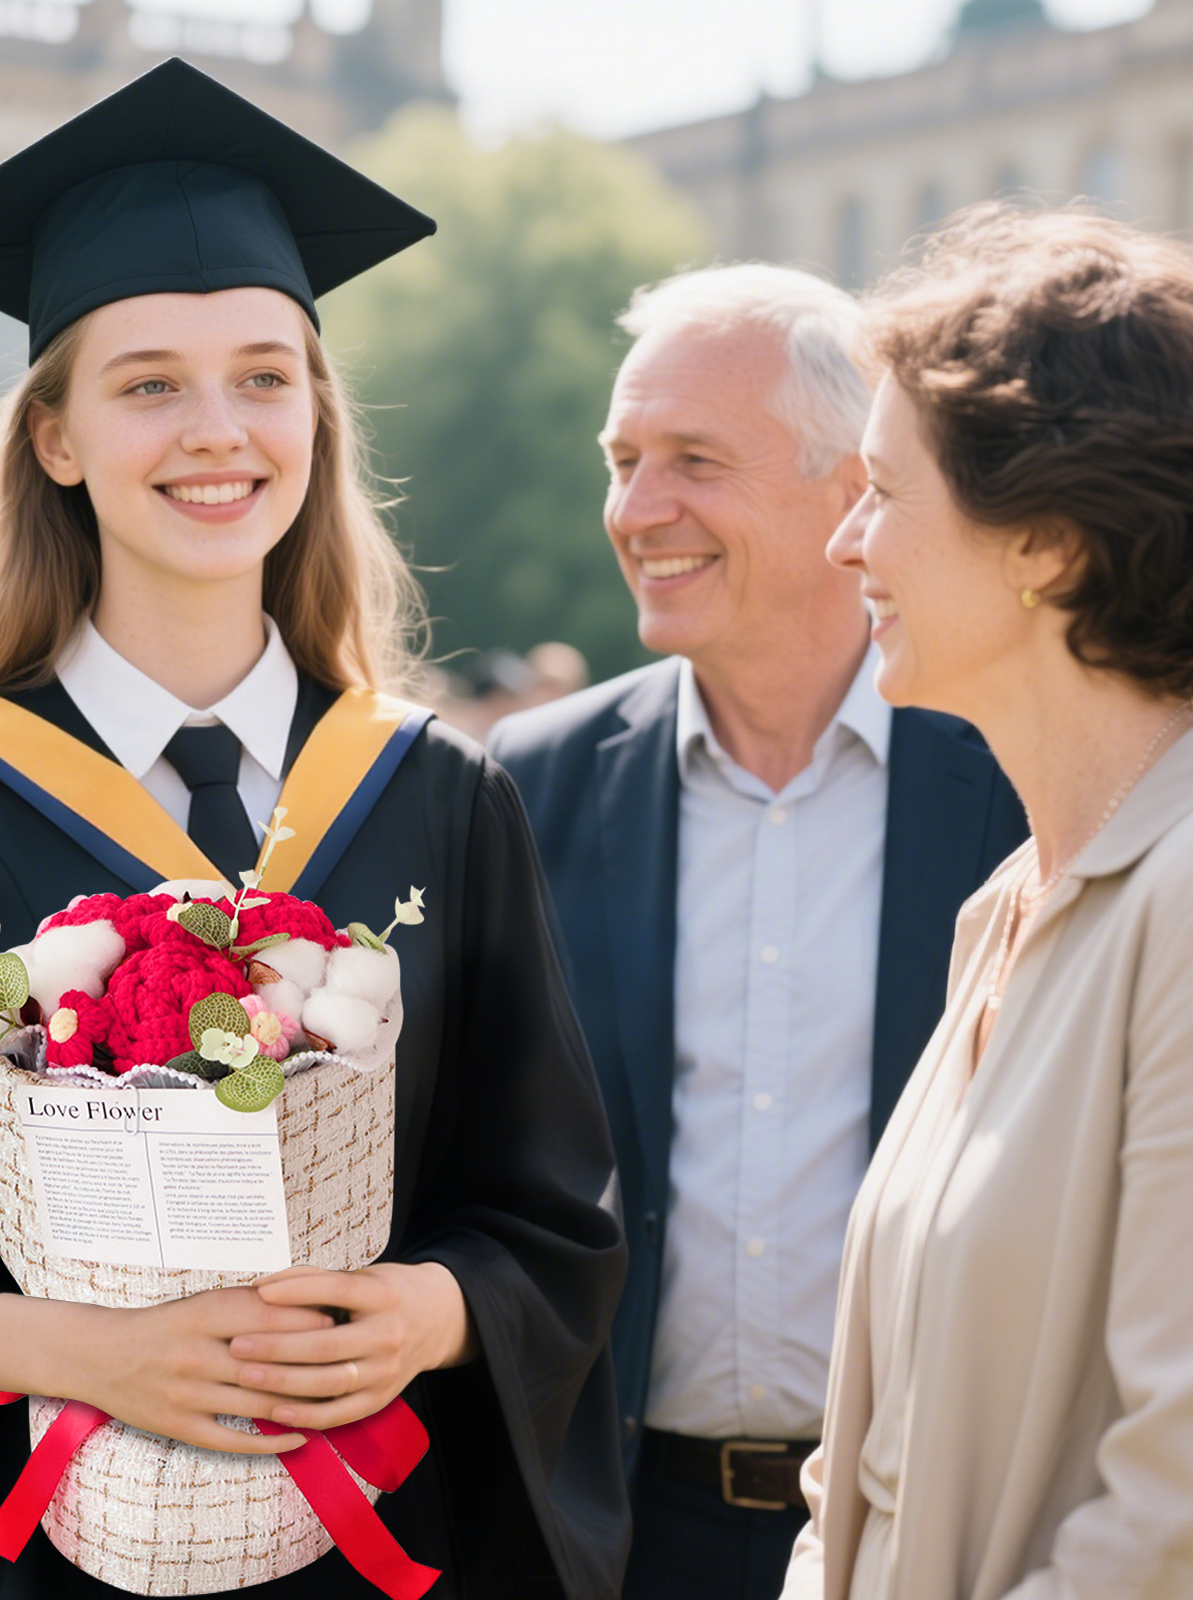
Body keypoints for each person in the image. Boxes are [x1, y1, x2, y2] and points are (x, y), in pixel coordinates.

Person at [0, 60, 628, 1600]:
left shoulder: (440, 797)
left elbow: (550, 1216)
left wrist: (430, 1315)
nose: (218, 431)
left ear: (316, 412)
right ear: (54, 436)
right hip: (20, 1560)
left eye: (264, 376)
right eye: (150, 383)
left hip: (371, 1558)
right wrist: (77, 1351)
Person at [488, 265, 1025, 1600]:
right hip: (616, 1537)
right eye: (622, 461)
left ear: (853, 489)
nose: (635, 510)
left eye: (693, 460)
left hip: (932, 1534)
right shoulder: (527, 788)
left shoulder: (1020, 783)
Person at [786, 205, 1193, 1600]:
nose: (846, 544)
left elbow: (1170, 1518)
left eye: (885, 493)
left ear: (1048, 546)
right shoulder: (1007, 905)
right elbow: (861, 1469)